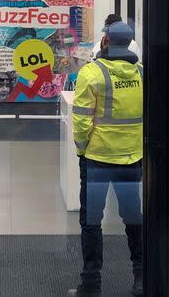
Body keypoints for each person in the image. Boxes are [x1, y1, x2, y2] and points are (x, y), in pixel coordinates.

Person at [68, 22, 144, 297]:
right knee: (134, 219)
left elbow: (81, 120)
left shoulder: (91, 73)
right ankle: (141, 278)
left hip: (97, 159)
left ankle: (91, 284)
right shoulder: (141, 74)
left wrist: (81, 148)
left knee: (91, 222)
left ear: (106, 42)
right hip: (131, 160)